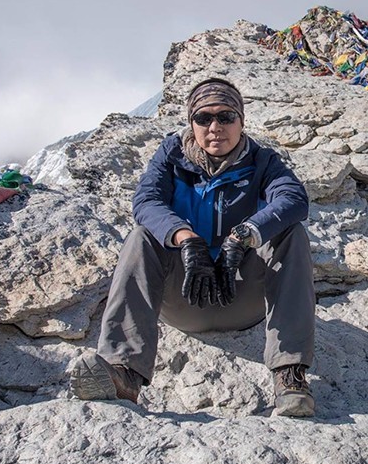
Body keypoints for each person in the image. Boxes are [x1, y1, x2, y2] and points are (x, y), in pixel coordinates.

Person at [69, 77, 316, 417]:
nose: (215, 127)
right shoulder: (172, 156)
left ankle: (290, 377)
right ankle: (122, 373)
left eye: (226, 116)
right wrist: (186, 239)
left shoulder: (263, 163)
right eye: (204, 118)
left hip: (243, 298)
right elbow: (146, 201)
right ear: (192, 123)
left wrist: (242, 236)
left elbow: (293, 199)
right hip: (182, 297)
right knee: (141, 237)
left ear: (241, 122)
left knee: (291, 235)